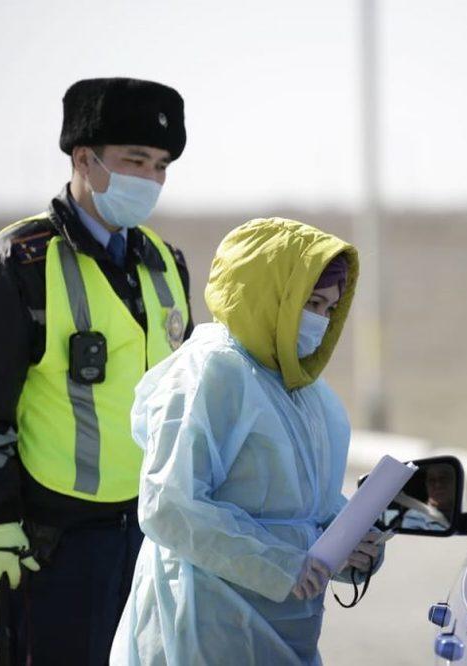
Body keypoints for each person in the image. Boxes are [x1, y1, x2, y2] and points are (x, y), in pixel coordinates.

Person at [0, 77, 193, 665]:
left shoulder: (163, 263)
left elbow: (187, 395)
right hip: (55, 546)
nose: (150, 179)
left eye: (160, 166)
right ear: (83, 159)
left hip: (150, 538)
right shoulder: (21, 262)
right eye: (135, 161)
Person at [110, 218, 383, 665]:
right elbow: (170, 505)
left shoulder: (308, 394)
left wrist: (349, 547)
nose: (320, 320)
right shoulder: (210, 372)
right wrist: (282, 564)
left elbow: (306, 507)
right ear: (270, 295)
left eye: (330, 309)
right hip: (206, 625)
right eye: (312, 303)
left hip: (287, 626)